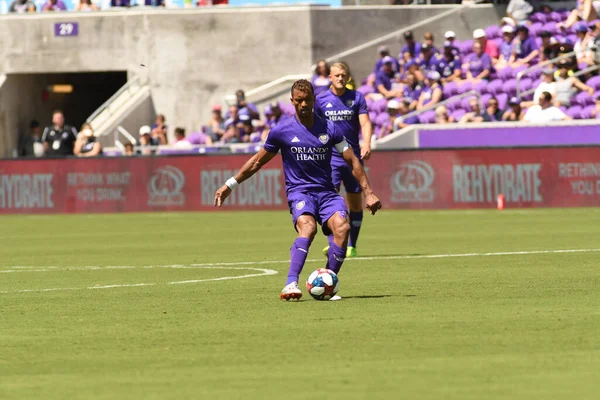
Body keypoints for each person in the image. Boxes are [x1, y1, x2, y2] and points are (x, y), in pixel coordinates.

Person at [213, 79, 381, 301]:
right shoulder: (282, 130)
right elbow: (256, 162)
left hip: (327, 193)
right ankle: (290, 283)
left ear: (314, 100)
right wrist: (230, 184)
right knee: (308, 228)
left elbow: (353, 161)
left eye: (307, 100)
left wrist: (368, 192)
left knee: (342, 228)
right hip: (300, 193)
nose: (303, 104)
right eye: (299, 100)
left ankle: (328, 280)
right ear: (292, 101)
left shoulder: (330, 128)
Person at [314, 62, 374, 258]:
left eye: (343, 75)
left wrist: (367, 143)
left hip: (353, 159)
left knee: (356, 203)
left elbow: (365, 122)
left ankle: (352, 245)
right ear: (329, 78)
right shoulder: (321, 100)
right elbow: (315, 128)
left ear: (348, 77)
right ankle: (334, 242)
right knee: (329, 201)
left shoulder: (356, 97)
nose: (340, 78)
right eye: (336, 75)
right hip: (330, 160)